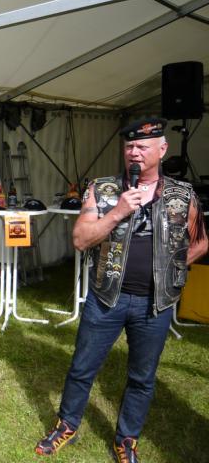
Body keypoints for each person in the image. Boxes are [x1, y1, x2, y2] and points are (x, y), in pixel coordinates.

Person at [35, 118, 208, 462]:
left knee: (142, 377)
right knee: (82, 368)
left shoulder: (182, 194)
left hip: (155, 304)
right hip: (106, 298)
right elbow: (81, 239)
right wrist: (117, 212)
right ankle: (67, 425)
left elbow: (201, 241)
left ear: (162, 150)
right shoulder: (102, 190)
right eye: (130, 146)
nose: (135, 152)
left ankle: (127, 438)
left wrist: (173, 269)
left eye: (143, 146)